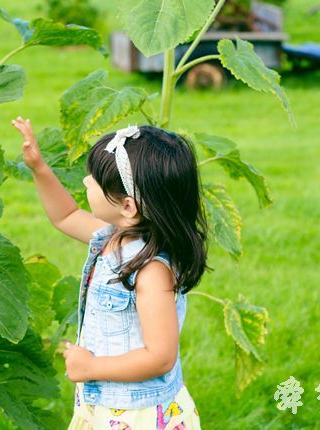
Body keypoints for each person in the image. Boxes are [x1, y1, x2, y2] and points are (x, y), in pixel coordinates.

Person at [12, 116, 209, 429]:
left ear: (128, 206)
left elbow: (161, 357)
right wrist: (40, 168)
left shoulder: (152, 272)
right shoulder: (115, 236)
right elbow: (66, 216)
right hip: (108, 404)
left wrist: (91, 366)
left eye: (95, 180)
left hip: (138, 414)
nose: (86, 182)